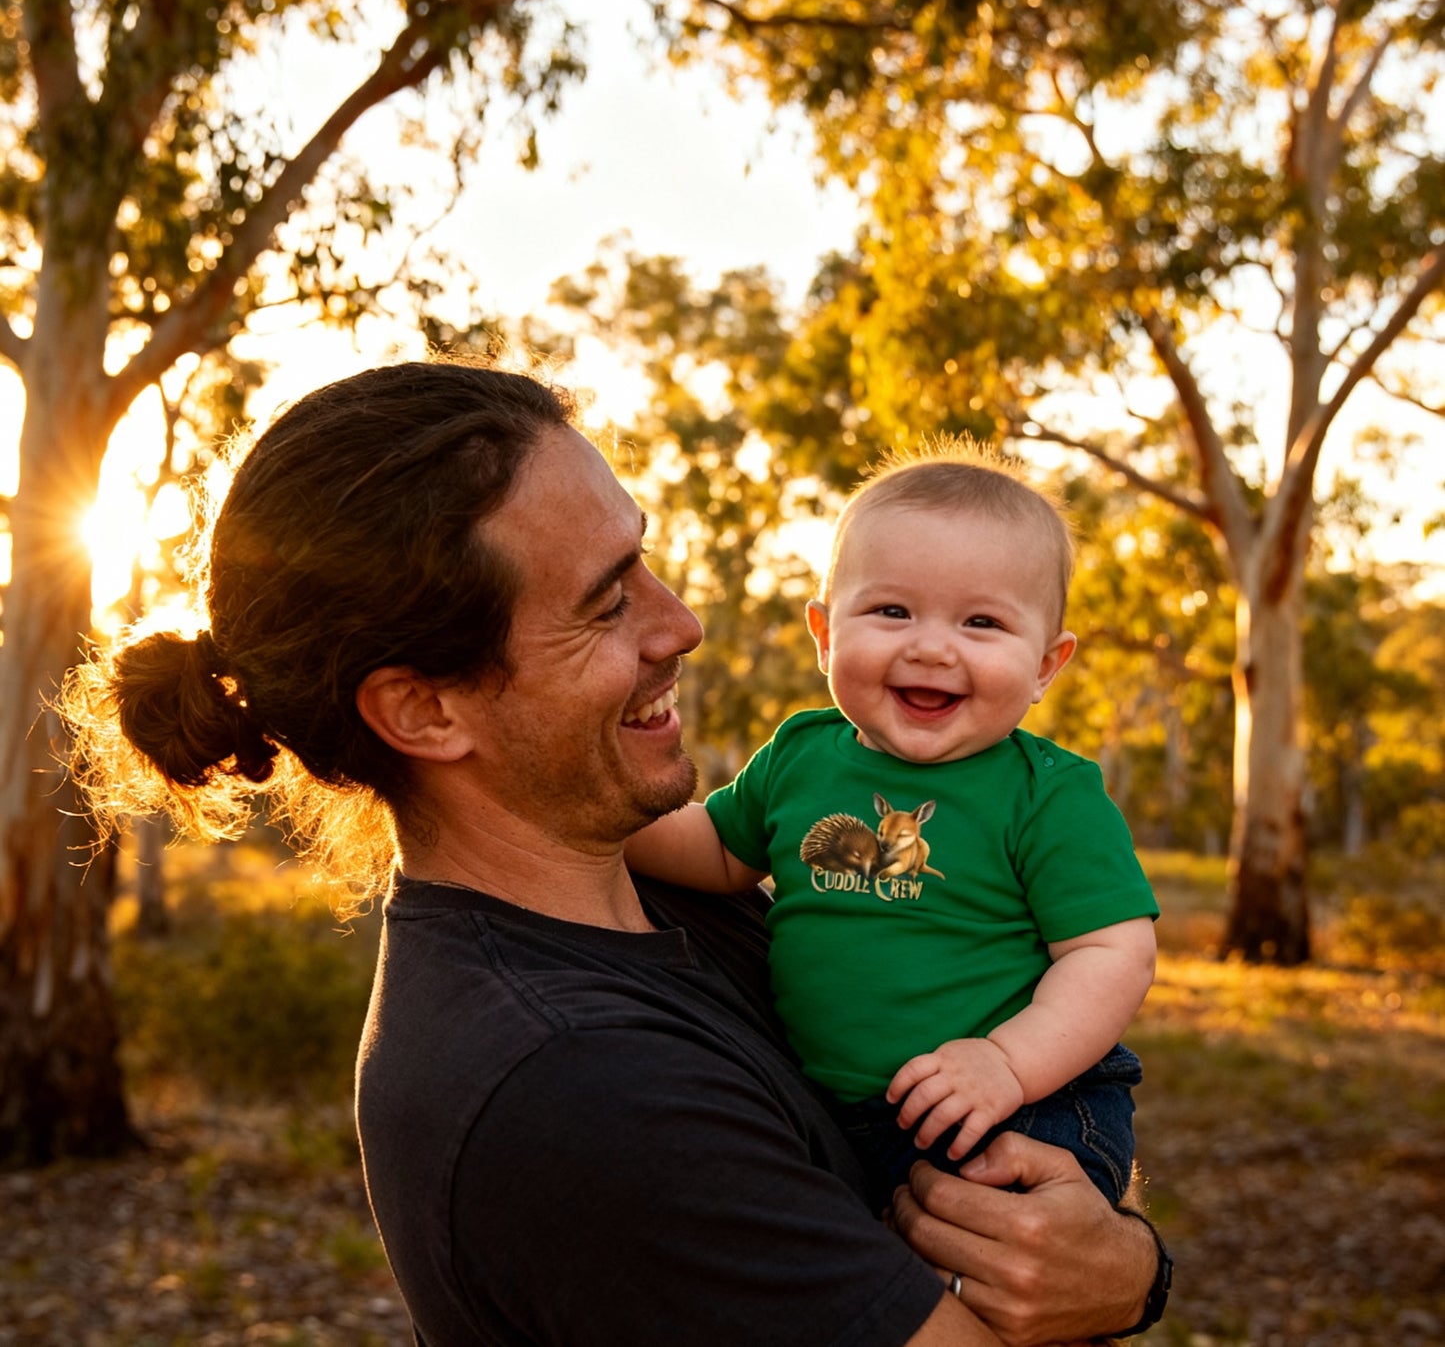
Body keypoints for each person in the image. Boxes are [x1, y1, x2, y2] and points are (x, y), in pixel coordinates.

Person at [63, 363, 1170, 1346]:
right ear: (423, 708)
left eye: (643, 560)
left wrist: (1105, 1250)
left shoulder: (666, 898)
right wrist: (1125, 1275)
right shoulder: (573, 1089)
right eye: (606, 603)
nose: (681, 622)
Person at [626, 443, 1158, 1213]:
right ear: (824, 633)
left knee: (998, 1257)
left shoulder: (1048, 794)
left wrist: (1006, 1062)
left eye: (981, 621)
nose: (931, 645)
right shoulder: (801, 757)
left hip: (1019, 1103)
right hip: (843, 1113)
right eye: (891, 610)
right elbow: (715, 850)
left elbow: (1113, 951)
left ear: (1046, 664)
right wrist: (595, 820)